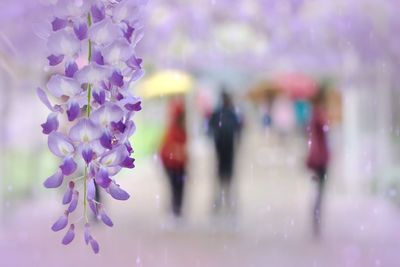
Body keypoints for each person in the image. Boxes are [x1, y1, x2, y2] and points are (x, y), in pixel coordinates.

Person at [208, 91, 241, 214]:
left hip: (222, 147)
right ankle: (224, 199)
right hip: (226, 147)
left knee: (221, 174)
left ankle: (222, 199)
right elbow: (239, 128)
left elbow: (210, 127)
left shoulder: (220, 113)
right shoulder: (231, 113)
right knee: (226, 174)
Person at [306, 88, 329, 237]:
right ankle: (316, 214)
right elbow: (325, 129)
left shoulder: (313, 115)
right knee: (319, 189)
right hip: (320, 158)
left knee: (317, 188)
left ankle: (316, 214)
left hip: (315, 158)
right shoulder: (319, 115)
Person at [160, 98, 187, 217]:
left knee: (177, 188)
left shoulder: (177, 128)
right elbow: (169, 148)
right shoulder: (174, 129)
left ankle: (176, 209)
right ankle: (176, 209)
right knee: (176, 188)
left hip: (176, 164)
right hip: (173, 164)